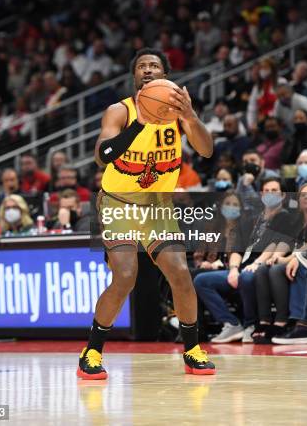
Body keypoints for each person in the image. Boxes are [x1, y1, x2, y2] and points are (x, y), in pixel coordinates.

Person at [77, 47, 216, 379]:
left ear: (165, 74)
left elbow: (207, 151)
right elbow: (103, 155)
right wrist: (140, 123)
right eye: (142, 66)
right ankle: (92, 351)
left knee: (181, 273)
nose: (149, 69)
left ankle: (193, 349)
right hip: (118, 204)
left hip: (157, 207)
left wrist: (192, 118)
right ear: (135, 76)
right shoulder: (119, 111)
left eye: (155, 65)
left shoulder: (178, 114)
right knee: (125, 276)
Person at [194, 178, 291, 343]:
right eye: (266, 190)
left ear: (282, 195)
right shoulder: (253, 219)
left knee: (247, 277)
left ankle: (250, 325)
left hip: (264, 266)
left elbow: (275, 245)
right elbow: (238, 248)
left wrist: (256, 263)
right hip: (242, 266)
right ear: (261, 194)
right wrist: (233, 269)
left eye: (274, 191)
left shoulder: (285, 217)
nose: (270, 194)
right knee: (201, 280)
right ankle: (231, 323)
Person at [253, 184, 307, 343]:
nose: (306, 197)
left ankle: (293, 322)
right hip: (295, 258)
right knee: (264, 269)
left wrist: (289, 259)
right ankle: (267, 321)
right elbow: (285, 241)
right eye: (302, 195)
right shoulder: (296, 219)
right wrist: (276, 256)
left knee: (278, 270)